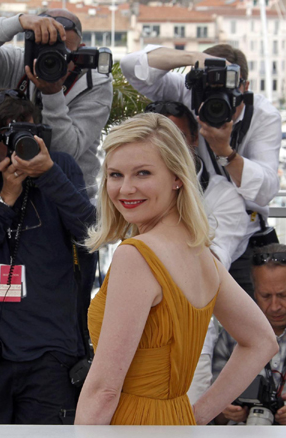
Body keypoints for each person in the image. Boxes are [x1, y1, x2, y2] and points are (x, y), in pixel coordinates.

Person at [74, 113, 278, 425]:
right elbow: (261, 341)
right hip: (175, 422)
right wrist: (194, 418)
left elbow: (103, 390)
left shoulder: (136, 256)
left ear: (177, 177)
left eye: (142, 173)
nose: (125, 189)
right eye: (115, 175)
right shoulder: (201, 255)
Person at [0, 91, 96, 424]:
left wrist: (49, 175)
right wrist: (4, 201)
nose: (21, 144)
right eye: (10, 135)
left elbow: (91, 233)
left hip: (51, 356)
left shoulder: (62, 168)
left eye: (27, 133)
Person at [120, 44, 282, 297]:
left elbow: (265, 191)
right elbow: (131, 66)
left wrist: (226, 152)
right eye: (210, 87)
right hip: (188, 225)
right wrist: (193, 58)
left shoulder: (263, 115)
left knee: (253, 321)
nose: (216, 99)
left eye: (229, 89)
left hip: (247, 236)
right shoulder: (191, 93)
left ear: (245, 88)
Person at [145, 101, 249, 403]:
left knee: (187, 426)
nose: (164, 146)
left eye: (174, 136)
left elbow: (208, 265)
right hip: (133, 337)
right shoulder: (129, 192)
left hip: (190, 342)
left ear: (194, 140)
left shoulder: (223, 196)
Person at [0, 9, 113, 198]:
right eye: (44, 49)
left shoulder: (95, 84)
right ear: (31, 46)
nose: (53, 59)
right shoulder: (20, 63)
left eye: (64, 53)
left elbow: (66, 151)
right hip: (14, 188)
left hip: (68, 194)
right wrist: (18, 22)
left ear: (81, 51)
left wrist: (52, 94)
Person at [212, 243, 286, 425]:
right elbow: (214, 417)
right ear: (254, 293)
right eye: (266, 296)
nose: (275, 306)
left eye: (284, 295)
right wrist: (226, 410)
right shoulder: (232, 337)